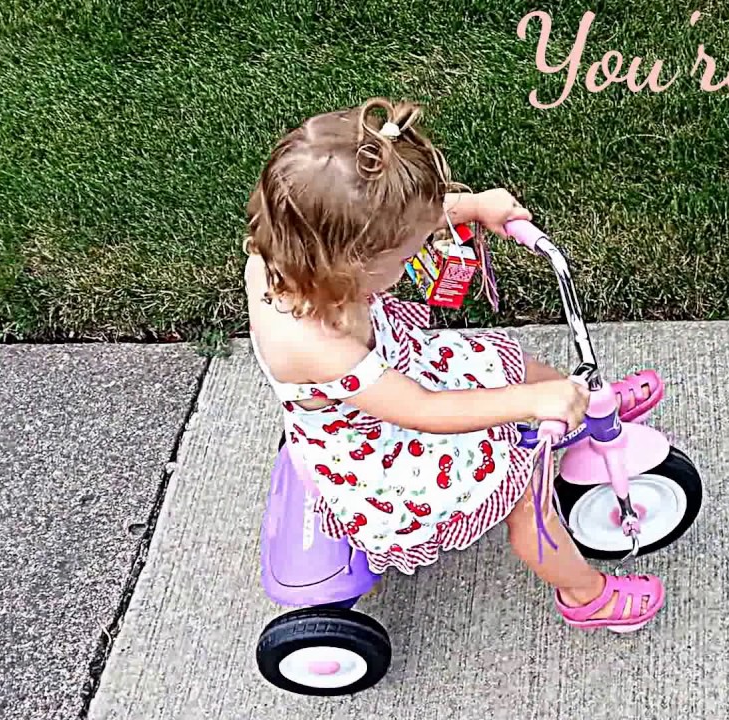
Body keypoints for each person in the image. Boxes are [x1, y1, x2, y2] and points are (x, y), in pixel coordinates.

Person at [242, 97, 664, 631]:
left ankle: (582, 410)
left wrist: (473, 205)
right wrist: (528, 403)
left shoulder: (295, 253)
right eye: (405, 255)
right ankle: (586, 596)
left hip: (403, 375)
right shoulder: (313, 345)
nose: (413, 258)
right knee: (527, 495)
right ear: (350, 263)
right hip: (389, 443)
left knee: (510, 363)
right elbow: (423, 411)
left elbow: (389, 217)